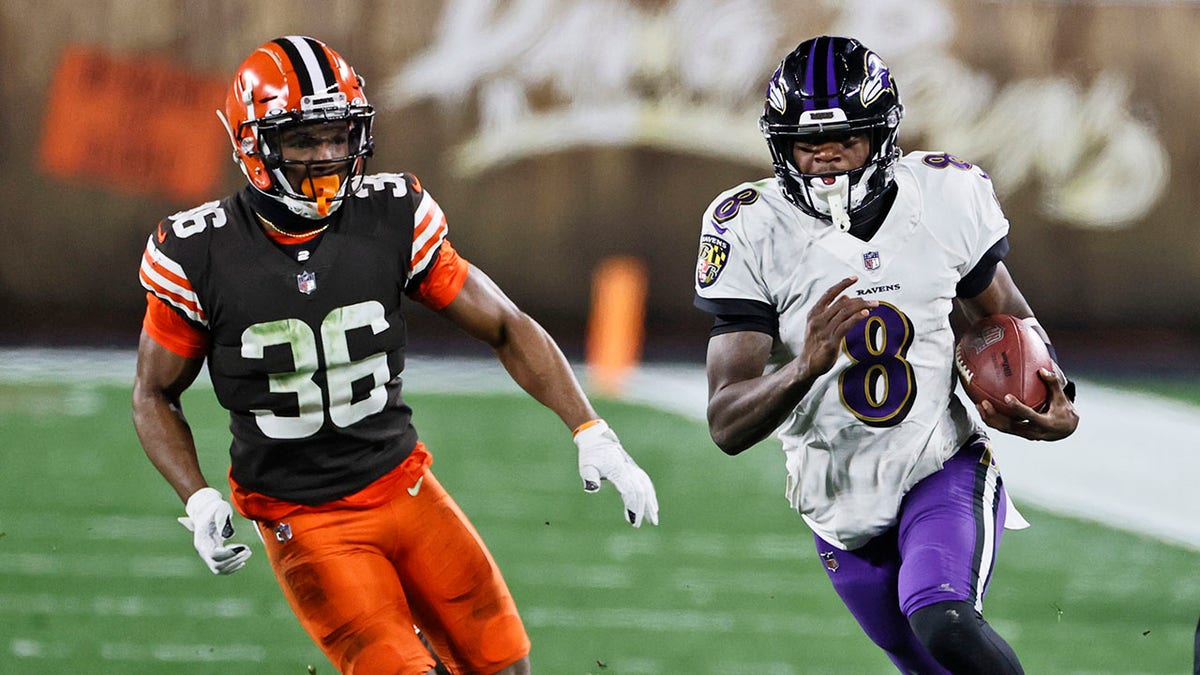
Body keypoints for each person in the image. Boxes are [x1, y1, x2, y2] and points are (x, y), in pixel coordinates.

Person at [132, 35, 658, 675]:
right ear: (252, 145)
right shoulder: (200, 252)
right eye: (303, 140)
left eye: (338, 135)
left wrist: (589, 427)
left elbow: (505, 326)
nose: (327, 155)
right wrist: (197, 499)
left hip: (404, 484)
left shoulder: (391, 213)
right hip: (304, 516)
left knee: (506, 668)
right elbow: (154, 392)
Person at [693, 35, 1078, 673]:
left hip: (940, 464)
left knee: (944, 619)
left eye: (842, 141)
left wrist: (1053, 397)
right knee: (926, 663)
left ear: (882, 135)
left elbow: (1008, 319)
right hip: (836, 501)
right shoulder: (749, 229)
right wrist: (804, 366)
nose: (823, 161)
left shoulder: (943, 197)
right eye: (804, 145)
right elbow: (726, 423)